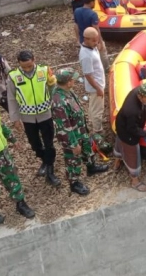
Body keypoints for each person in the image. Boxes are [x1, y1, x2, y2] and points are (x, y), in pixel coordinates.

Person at [51, 68, 109, 196]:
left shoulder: (67, 91)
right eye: (73, 80)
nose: (74, 81)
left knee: (87, 149)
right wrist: (73, 144)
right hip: (72, 137)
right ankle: (74, 182)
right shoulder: (58, 102)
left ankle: (91, 167)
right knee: (73, 159)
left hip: (80, 131)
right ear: (68, 82)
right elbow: (64, 127)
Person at [7, 51, 61, 186]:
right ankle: (44, 159)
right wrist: (15, 118)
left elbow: (52, 86)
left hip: (45, 114)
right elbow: (11, 98)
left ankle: (50, 171)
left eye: (30, 66)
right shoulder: (13, 76)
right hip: (28, 117)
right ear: (18, 63)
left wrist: (54, 104)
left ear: (34, 60)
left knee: (49, 143)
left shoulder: (44, 70)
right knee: (35, 144)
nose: (27, 69)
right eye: (24, 67)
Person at [0, 81, 35, 225]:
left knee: (12, 176)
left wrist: (12, 139)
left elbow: (0, 126)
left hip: (3, 152)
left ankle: (20, 203)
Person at [113, 83, 146, 192]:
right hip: (127, 132)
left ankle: (117, 162)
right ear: (140, 96)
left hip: (121, 125)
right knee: (133, 154)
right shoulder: (132, 110)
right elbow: (132, 129)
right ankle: (134, 181)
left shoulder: (141, 92)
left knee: (119, 144)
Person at [79, 28, 110, 152]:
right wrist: (98, 88)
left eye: (97, 40)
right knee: (97, 110)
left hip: (98, 83)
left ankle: (95, 129)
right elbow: (88, 75)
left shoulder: (92, 47)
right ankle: (98, 132)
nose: (96, 43)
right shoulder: (85, 55)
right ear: (86, 39)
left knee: (93, 108)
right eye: (93, 41)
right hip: (95, 86)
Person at [74, 0, 109, 71]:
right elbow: (96, 29)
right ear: (91, 2)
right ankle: (106, 68)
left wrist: (77, 39)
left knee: (88, 55)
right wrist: (100, 42)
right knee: (102, 53)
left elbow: (76, 26)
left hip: (83, 39)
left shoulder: (77, 11)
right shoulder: (92, 14)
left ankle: (91, 69)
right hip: (92, 39)